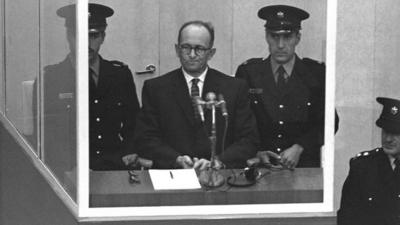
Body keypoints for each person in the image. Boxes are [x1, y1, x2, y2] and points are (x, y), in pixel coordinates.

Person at [134, 21, 259, 170]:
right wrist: (175, 159)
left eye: (199, 49)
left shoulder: (234, 88)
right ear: (177, 50)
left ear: (211, 53)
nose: (192, 55)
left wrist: (218, 161)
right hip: (173, 175)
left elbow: (249, 140)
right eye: (186, 47)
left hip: (219, 177)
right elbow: (145, 138)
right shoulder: (155, 88)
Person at [35, 3, 140, 174]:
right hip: (69, 171)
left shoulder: (120, 75)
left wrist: (129, 153)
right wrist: (68, 170)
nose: (87, 43)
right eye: (79, 36)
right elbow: (47, 137)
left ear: (103, 37)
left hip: (114, 167)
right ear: (69, 36)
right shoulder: (50, 79)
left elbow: (133, 125)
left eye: (93, 35)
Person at [235, 5, 338, 169]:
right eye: (274, 36)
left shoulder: (316, 73)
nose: (280, 45)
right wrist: (257, 152)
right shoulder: (249, 73)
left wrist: (300, 147)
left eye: (287, 37)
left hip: (303, 166)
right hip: (260, 166)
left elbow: (330, 122)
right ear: (266, 37)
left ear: (298, 37)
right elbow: (239, 123)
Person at [337, 97, 400, 225]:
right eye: (385, 132)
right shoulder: (362, 167)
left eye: (395, 133)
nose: (388, 139)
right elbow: (347, 217)